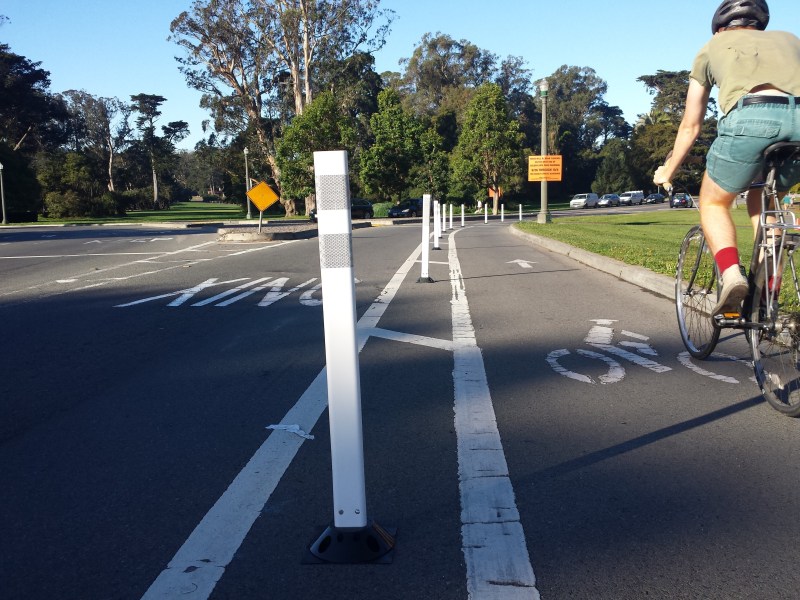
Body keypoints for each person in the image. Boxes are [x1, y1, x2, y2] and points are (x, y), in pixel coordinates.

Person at [653, 0, 800, 317]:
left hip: (752, 117)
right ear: (760, 25)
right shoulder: (790, 39)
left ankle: (732, 275)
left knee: (714, 201)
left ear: (720, 27)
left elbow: (691, 125)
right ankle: (765, 293)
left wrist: (668, 169)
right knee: (764, 198)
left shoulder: (712, 46)